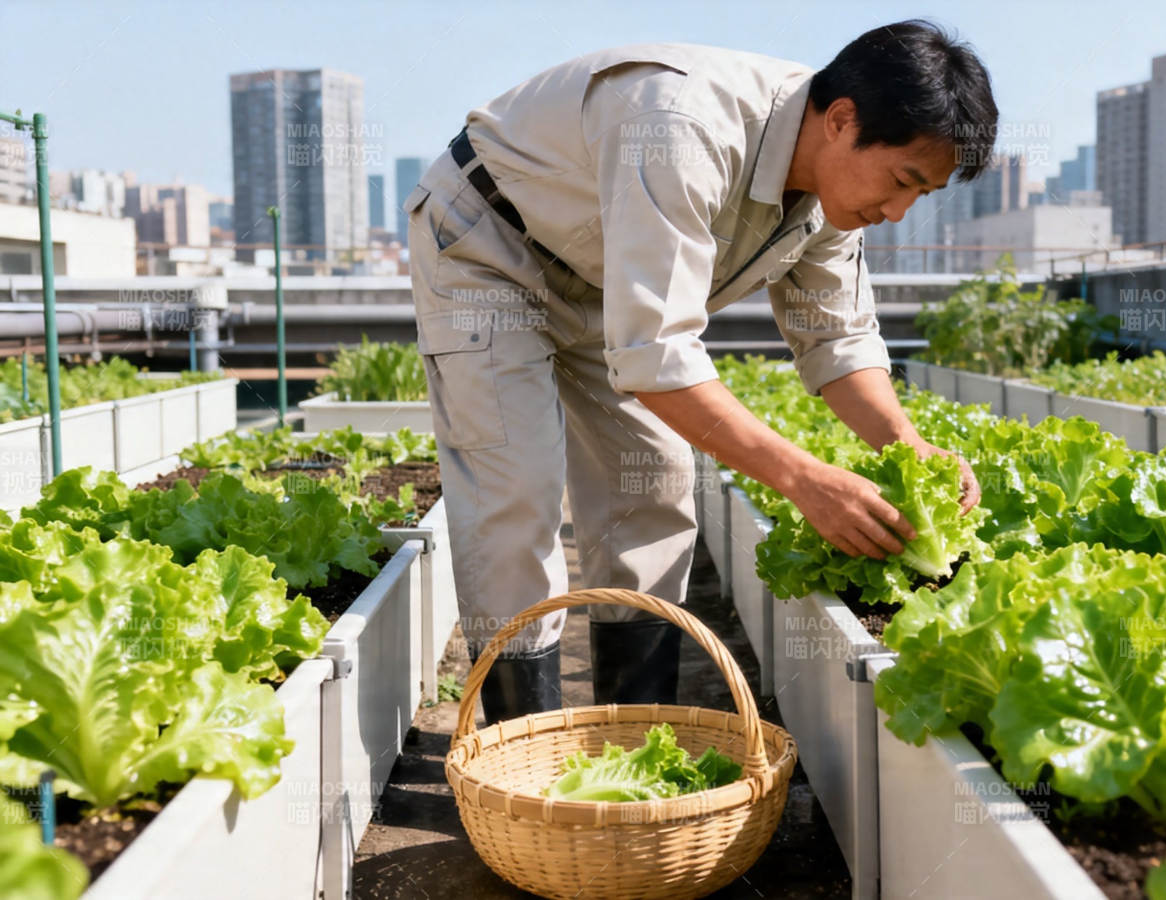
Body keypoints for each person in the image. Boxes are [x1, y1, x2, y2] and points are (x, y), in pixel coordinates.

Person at [402, 19, 994, 722]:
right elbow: (657, 357)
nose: (897, 212)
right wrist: (803, 479)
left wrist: (908, 447)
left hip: (600, 281)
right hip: (492, 248)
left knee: (654, 480)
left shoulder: (837, 200)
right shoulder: (683, 129)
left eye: (921, 196)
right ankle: (520, 748)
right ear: (842, 120)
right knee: (520, 488)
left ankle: (636, 736)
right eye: (903, 180)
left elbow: (837, 339)